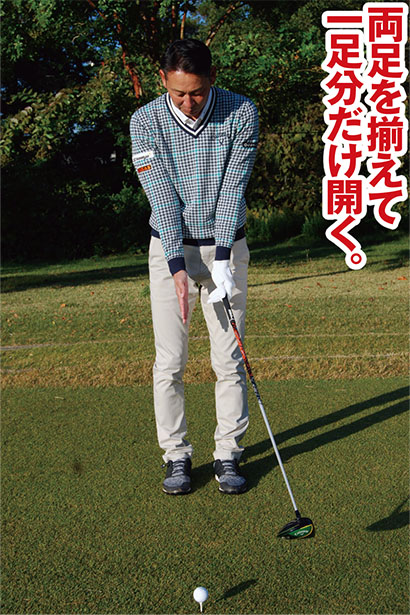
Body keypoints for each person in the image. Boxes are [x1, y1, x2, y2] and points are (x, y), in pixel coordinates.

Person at [130, 38, 259, 495]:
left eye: (198, 92)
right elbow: (161, 196)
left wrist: (222, 257)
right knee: (170, 361)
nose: (188, 103)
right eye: (179, 93)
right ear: (163, 80)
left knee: (229, 359)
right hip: (170, 250)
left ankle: (228, 453)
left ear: (212, 79)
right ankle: (177, 456)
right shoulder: (144, 121)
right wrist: (175, 263)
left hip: (227, 248)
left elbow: (233, 189)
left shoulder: (241, 112)